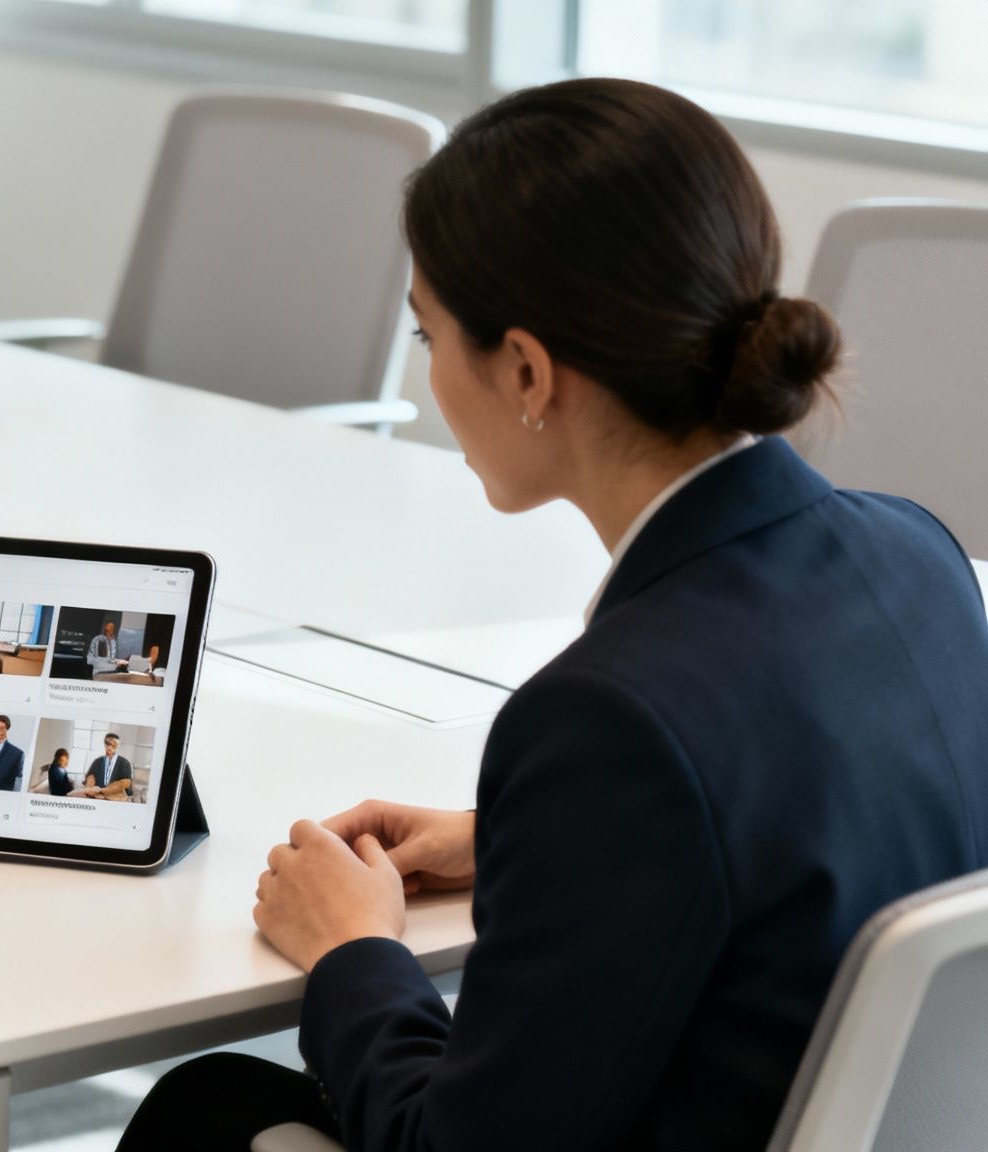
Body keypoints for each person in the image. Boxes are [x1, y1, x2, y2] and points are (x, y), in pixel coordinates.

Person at [119, 77, 988, 1152]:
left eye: (428, 334)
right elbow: (813, 810)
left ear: (526, 369)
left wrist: (353, 952)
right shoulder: (919, 552)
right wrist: (521, 843)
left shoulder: (608, 718)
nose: (428, 372)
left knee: (203, 1112)